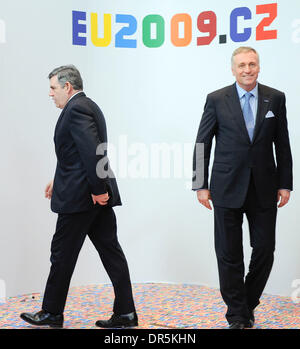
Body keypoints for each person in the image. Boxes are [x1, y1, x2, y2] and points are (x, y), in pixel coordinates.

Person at [20, 65, 138, 328]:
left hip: (82, 199)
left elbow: (93, 152)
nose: (50, 94)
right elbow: (75, 154)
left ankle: (51, 311)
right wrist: (58, 178)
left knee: (61, 254)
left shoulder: (76, 109)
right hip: (89, 194)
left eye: (53, 88)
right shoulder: (87, 106)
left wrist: (98, 191)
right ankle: (126, 313)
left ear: (67, 87)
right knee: (111, 252)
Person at [192, 47, 293, 329]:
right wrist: (200, 185)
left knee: (265, 250)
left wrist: (285, 183)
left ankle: (246, 303)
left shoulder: (275, 98)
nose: (247, 70)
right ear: (233, 69)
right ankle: (237, 315)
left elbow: (282, 144)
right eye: (241, 65)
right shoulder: (216, 99)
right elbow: (203, 144)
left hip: (264, 187)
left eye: (252, 64)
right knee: (228, 253)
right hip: (225, 187)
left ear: (258, 67)